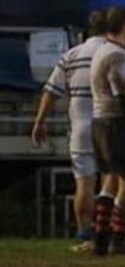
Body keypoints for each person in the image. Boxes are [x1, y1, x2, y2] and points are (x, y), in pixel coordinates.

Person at [32, 15, 104, 251]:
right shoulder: (117, 52)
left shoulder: (71, 55)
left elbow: (51, 91)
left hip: (81, 127)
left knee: (84, 182)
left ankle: (84, 233)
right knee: (113, 181)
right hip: (109, 125)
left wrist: (40, 121)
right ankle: (110, 232)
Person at [87, 7, 125, 256]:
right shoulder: (118, 56)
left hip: (99, 121)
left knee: (110, 178)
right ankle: (118, 235)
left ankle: (99, 236)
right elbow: (124, 92)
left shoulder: (101, 51)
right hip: (116, 122)